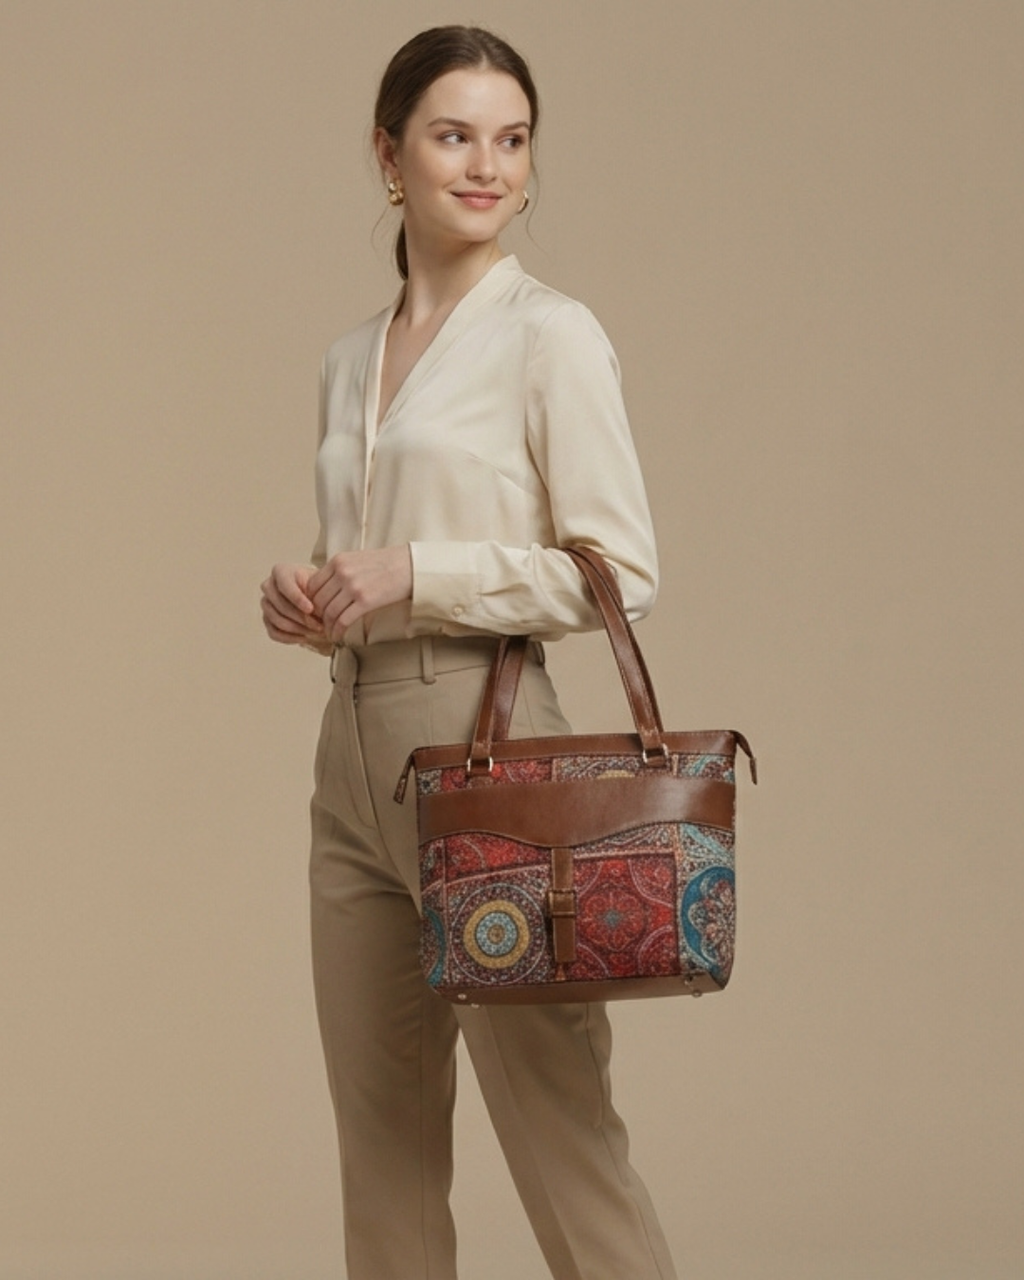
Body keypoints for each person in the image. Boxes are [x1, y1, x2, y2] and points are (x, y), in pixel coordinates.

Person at [261, 25, 676, 1280]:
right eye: (454, 136)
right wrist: (315, 596)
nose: (488, 166)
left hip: (488, 747)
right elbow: (367, 563)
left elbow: (619, 569)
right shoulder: (348, 358)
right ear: (389, 156)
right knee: (381, 1146)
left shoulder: (550, 335)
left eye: (511, 139)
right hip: (354, 751)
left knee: (558, 1125)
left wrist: (419, 571)